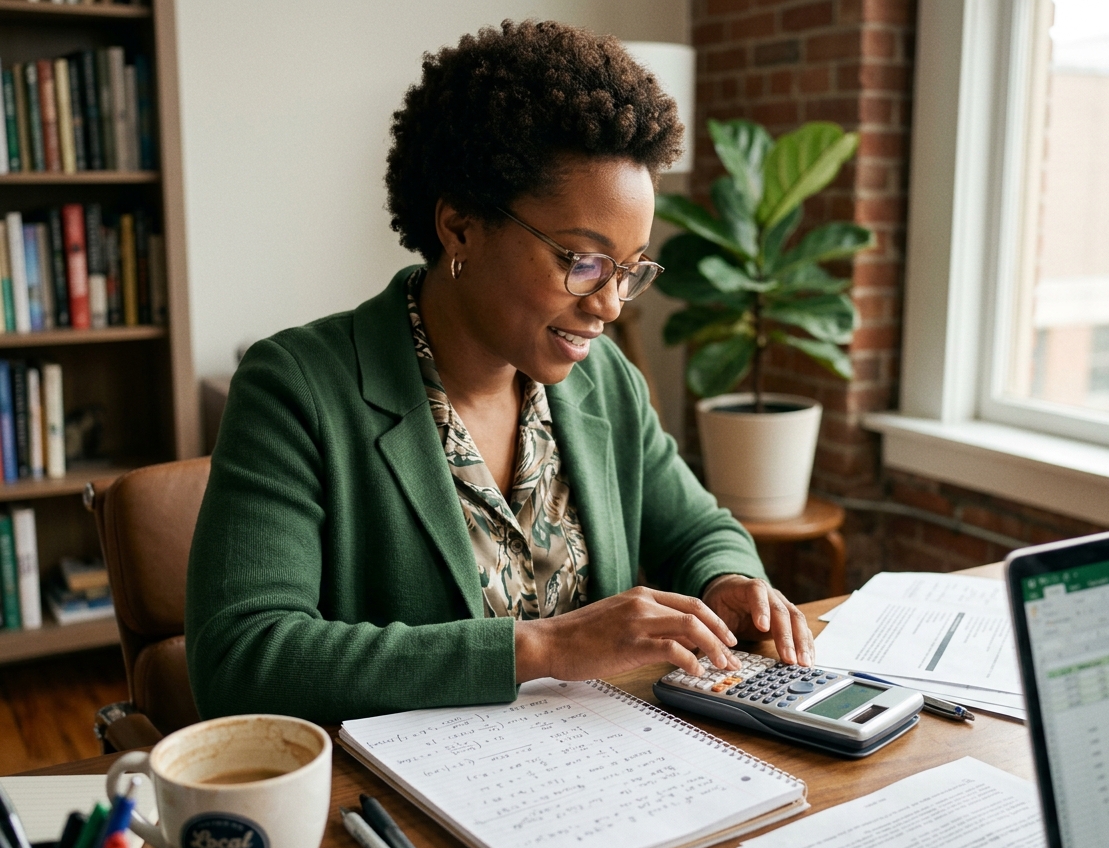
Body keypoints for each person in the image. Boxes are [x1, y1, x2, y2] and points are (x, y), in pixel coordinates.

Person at [185, 19, 814, 723]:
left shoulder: (606, 380)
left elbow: (698, 529)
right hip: (406, 801)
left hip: (607, 773)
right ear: (460, 228)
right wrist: (538, 649)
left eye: (630, 270)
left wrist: (729, 578)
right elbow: (242, 659)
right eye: (582, 261)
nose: (608, 303)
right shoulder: (297, 389)